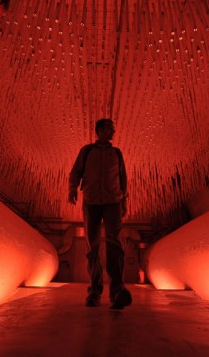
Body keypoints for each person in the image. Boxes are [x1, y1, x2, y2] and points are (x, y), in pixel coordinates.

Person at [68, 118, 131, 309]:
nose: (113, 133)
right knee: (91, 247)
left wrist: (124, 202)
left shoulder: (116, 154)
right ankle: (94, 291)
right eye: (110, 129)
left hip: (113, 203)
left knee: (115, 245)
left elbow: (123, 180)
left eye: (113, 129)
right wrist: (72, 188)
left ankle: (117, 291)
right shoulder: (87, 151)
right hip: (91, 203)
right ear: (99, 130)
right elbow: (76, 172)